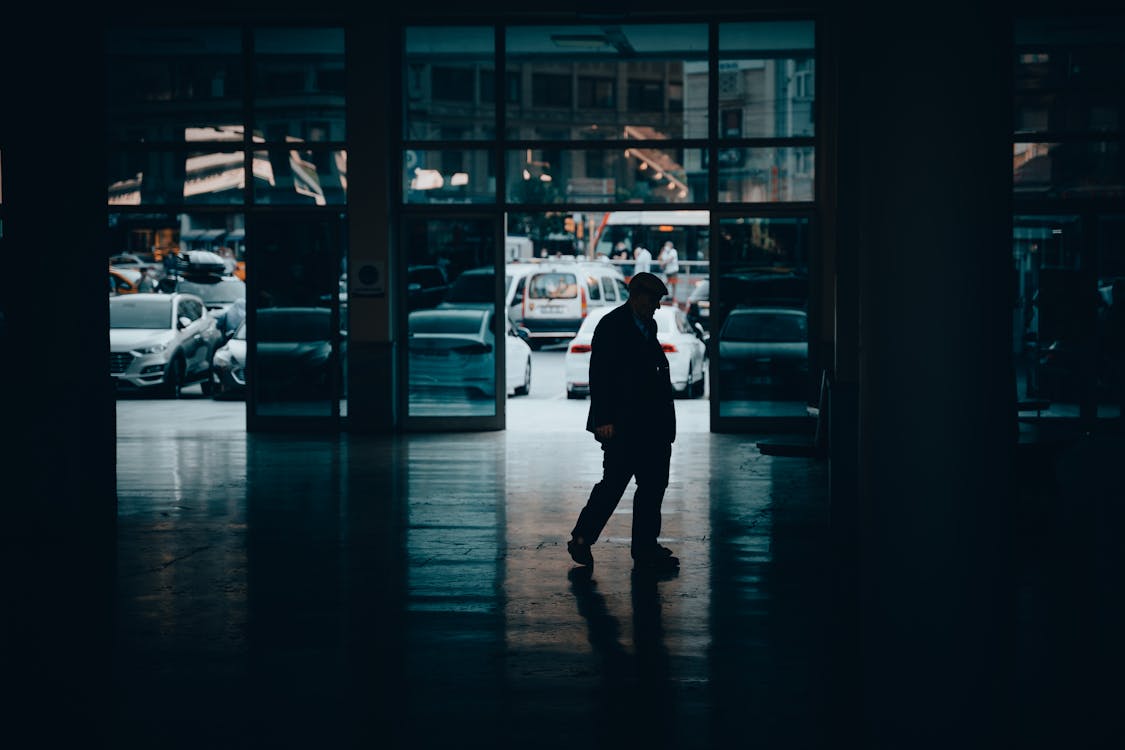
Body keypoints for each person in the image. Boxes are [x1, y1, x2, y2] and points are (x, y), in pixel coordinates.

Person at [567, 272, 680, 573]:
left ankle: (645, 547)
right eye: (652, 300)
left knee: (652, 486)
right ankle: (581, 538)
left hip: (652, 425)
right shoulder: (612, 325)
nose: (656, 306)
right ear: (636, 296)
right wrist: (603, 419)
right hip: (623, 425)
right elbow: (600, 375)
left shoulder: (648, 325)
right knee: (613, 485)